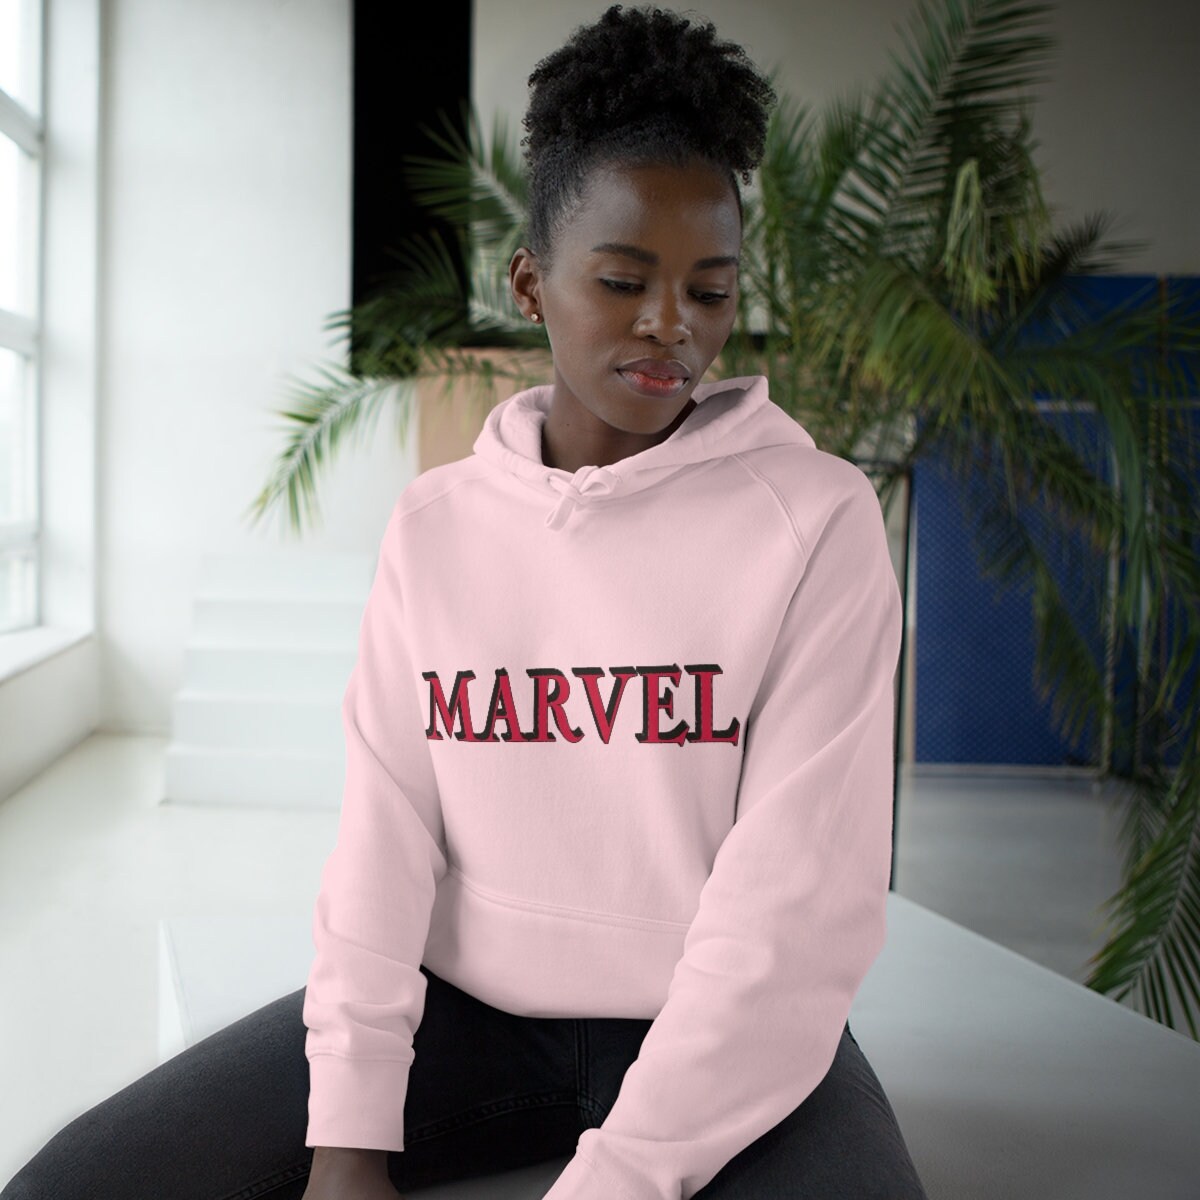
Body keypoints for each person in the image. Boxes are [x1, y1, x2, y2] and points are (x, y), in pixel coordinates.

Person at [2, 6, 928, 1199]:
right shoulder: (435, 527)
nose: (673, 325)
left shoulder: (816, 519)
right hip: (469, 1020)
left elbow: (794, 907)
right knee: (69, 1186)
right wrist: (348, 1141)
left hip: (726, 1027)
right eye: (623, 280)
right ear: (530, 283)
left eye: (711, 288)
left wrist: (620, 1178)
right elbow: (384, 838)